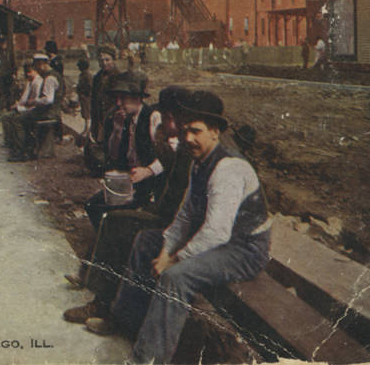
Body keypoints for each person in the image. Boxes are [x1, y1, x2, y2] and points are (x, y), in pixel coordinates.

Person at [87, 90, 270, 364]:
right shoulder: (200, 163)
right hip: (220, 241)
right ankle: (126, 322)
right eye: (185, 131)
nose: (188, 138)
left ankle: (148, 359)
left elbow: (217, 232)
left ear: (215, 132)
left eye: (196, 131)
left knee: (176, 278)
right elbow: (185, 217)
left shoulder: (228, 168)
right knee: (146, 241)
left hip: (244, 250)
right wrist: (165, 250)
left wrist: (173, 260)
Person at [63, 85, 191, 325]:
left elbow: (172, 178)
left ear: (173, 117)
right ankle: (99, 295)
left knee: (118, 224)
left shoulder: (182, 142)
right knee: (113, 220)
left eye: (165, 118)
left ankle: (104, 305)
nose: (119, 103)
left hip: (171, 217)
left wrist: (151, 172)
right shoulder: (178, 141)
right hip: (166, 212)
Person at [84, 70, 164, 231]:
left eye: (123, 98)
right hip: (128, 181)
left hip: (150, 185)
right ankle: (106, 238)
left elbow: (169, 156)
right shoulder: (123, 118)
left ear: (137, 98)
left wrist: (148, 170)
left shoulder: (152, 117)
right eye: (116, 98)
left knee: (117, 214)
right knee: (92, 205)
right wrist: (117, 129)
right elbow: (113, 155)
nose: (118, 103)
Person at [6, 54, 63, 161]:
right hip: (51, 111)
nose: (37, 70)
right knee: (23, 117)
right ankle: (28, 148)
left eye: (37, 67)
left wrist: (34, 101)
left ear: (42, 64)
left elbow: (48, 99)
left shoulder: (50, 78)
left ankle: (21, 152)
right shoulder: (55, 75)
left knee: (18, 120)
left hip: (48, 112)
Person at [0, 62, 42, 147]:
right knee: (5, 116)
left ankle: (20, 145)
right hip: (25, 107)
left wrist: (23, 105)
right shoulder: (30, 82)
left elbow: (36, 100)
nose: (28, 74)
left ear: (35, 71)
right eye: (26, 72)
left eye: (30, 72)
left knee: (15, 119)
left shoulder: (38, 82)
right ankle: (10, 141)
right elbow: (24, 98)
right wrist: (18, 105)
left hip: (33, 109)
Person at [90, 45, 119, 142]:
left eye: (107, 60)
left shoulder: (119, 77)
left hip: (113, 118)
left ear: (113, 60)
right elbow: (93, 100)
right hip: (99, 118)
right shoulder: (97, 78)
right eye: (101, 60)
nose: (104, 63)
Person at [0, 37, 15, 113]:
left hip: (8, 74)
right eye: (2, 44)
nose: (3, 45)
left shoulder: (9, 52)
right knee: (0, 92)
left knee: (9, 91)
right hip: (0, 74)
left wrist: (14, 72)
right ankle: (1, 108)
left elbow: (13, 63)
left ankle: (9, 106)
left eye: (5, 44)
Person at [76, 58, 92, 136]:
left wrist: (82, 91)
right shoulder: (82, 74)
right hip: (83, 97)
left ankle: (88, 130)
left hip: (86, 97)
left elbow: (90, 87)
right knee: (85, 113)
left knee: (87, 114)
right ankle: (86, 129)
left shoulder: (87, 75)